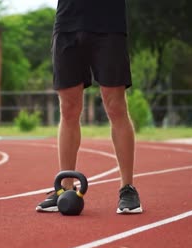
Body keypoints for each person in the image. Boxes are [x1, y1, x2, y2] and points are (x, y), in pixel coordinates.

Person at [35, 0, 143, 214]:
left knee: (115, 106)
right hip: (67, 22)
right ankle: (64, 188)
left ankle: (127, 188)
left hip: (108, 25)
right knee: (68, 109)